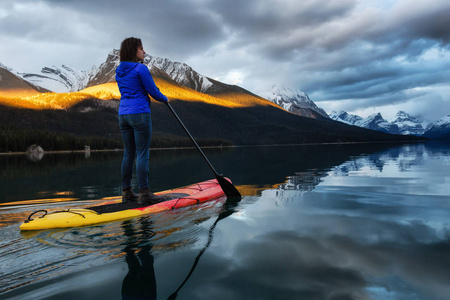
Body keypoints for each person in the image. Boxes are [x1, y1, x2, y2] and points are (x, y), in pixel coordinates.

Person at [116, 37, 168, 204]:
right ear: (133, 51)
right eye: (141, 49)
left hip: (123, 115)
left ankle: (127, 191)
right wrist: (165, 98)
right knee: (142, 153)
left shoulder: (119, 70)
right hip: (139, 114)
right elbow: (153, 92)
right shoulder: (141, 68)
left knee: (128, 152)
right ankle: (144, 193)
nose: (144, 52)